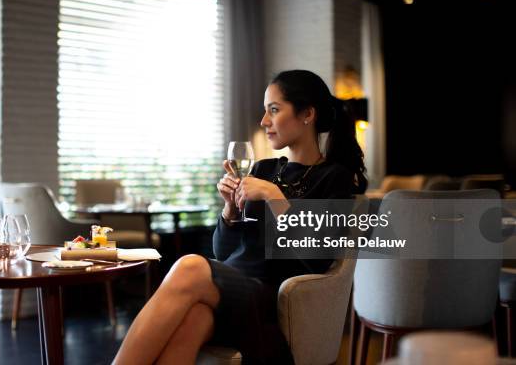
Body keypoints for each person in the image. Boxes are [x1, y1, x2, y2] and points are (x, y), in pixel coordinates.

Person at [113, 69, 367, 364]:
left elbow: (316, 258)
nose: (264, 121)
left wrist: (274, 197)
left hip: (269, 294)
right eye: (265, 111)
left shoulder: (333, 177)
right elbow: (224, 251)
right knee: (193, 320)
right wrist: (230, 211)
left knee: (190, 265)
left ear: (307, 114)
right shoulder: (263, 169)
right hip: (232, 285)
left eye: (274, 110)